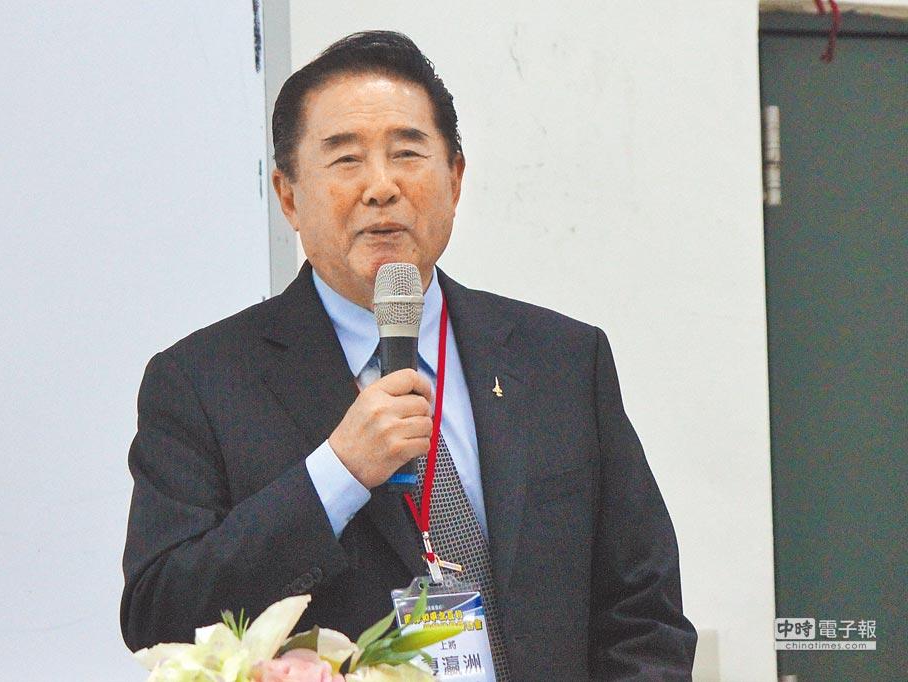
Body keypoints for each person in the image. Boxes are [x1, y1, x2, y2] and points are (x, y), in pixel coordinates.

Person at [121, 31, 696, 679]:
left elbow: (642, 611)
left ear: (455, 179)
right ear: (288, 197)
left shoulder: (561, 360)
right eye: (346, 159)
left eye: (407, 153)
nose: (382, 186)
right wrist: (338, 473)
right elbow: (159, 614)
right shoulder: (202, 382)